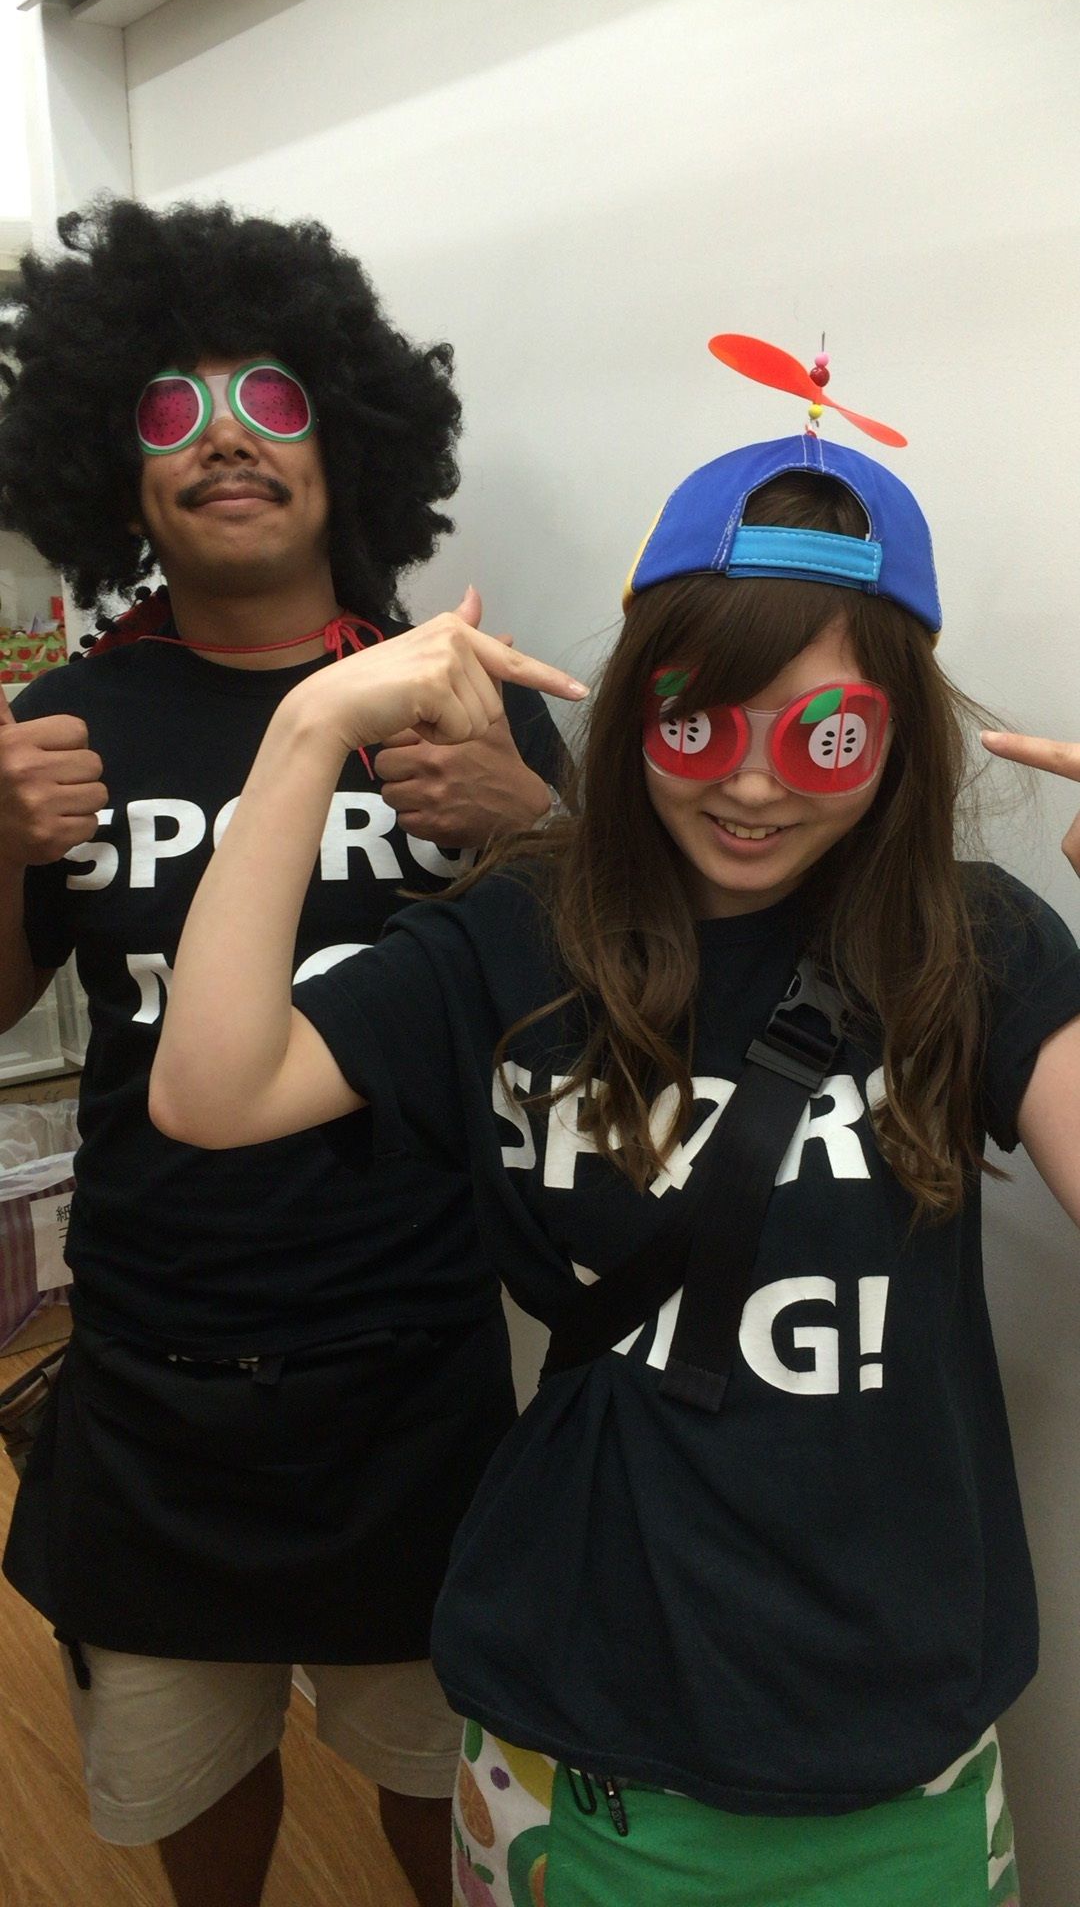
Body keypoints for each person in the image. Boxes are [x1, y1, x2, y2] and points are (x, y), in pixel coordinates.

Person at [150, 422, 1080, 1907]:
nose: (755, 789)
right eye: (699, 725)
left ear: (901, 736)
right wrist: (306, 729)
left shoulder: (969, 945)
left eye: (826, 736)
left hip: (887, 1732)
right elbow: (212, 1091)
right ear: (638, 702)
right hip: (569, 1712)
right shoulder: (525, 932)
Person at [0, 196, 567, 1907]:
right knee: (197, 1784)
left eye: (272, 401)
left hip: (416, 1351)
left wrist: (537, 823)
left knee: (438, 1788)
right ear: (117, 467)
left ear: (350, 447)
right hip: (155, 1358)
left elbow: (611, 1014)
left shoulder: (460, 700)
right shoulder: (63, 723)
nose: (225, 438)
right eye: (171, 408)